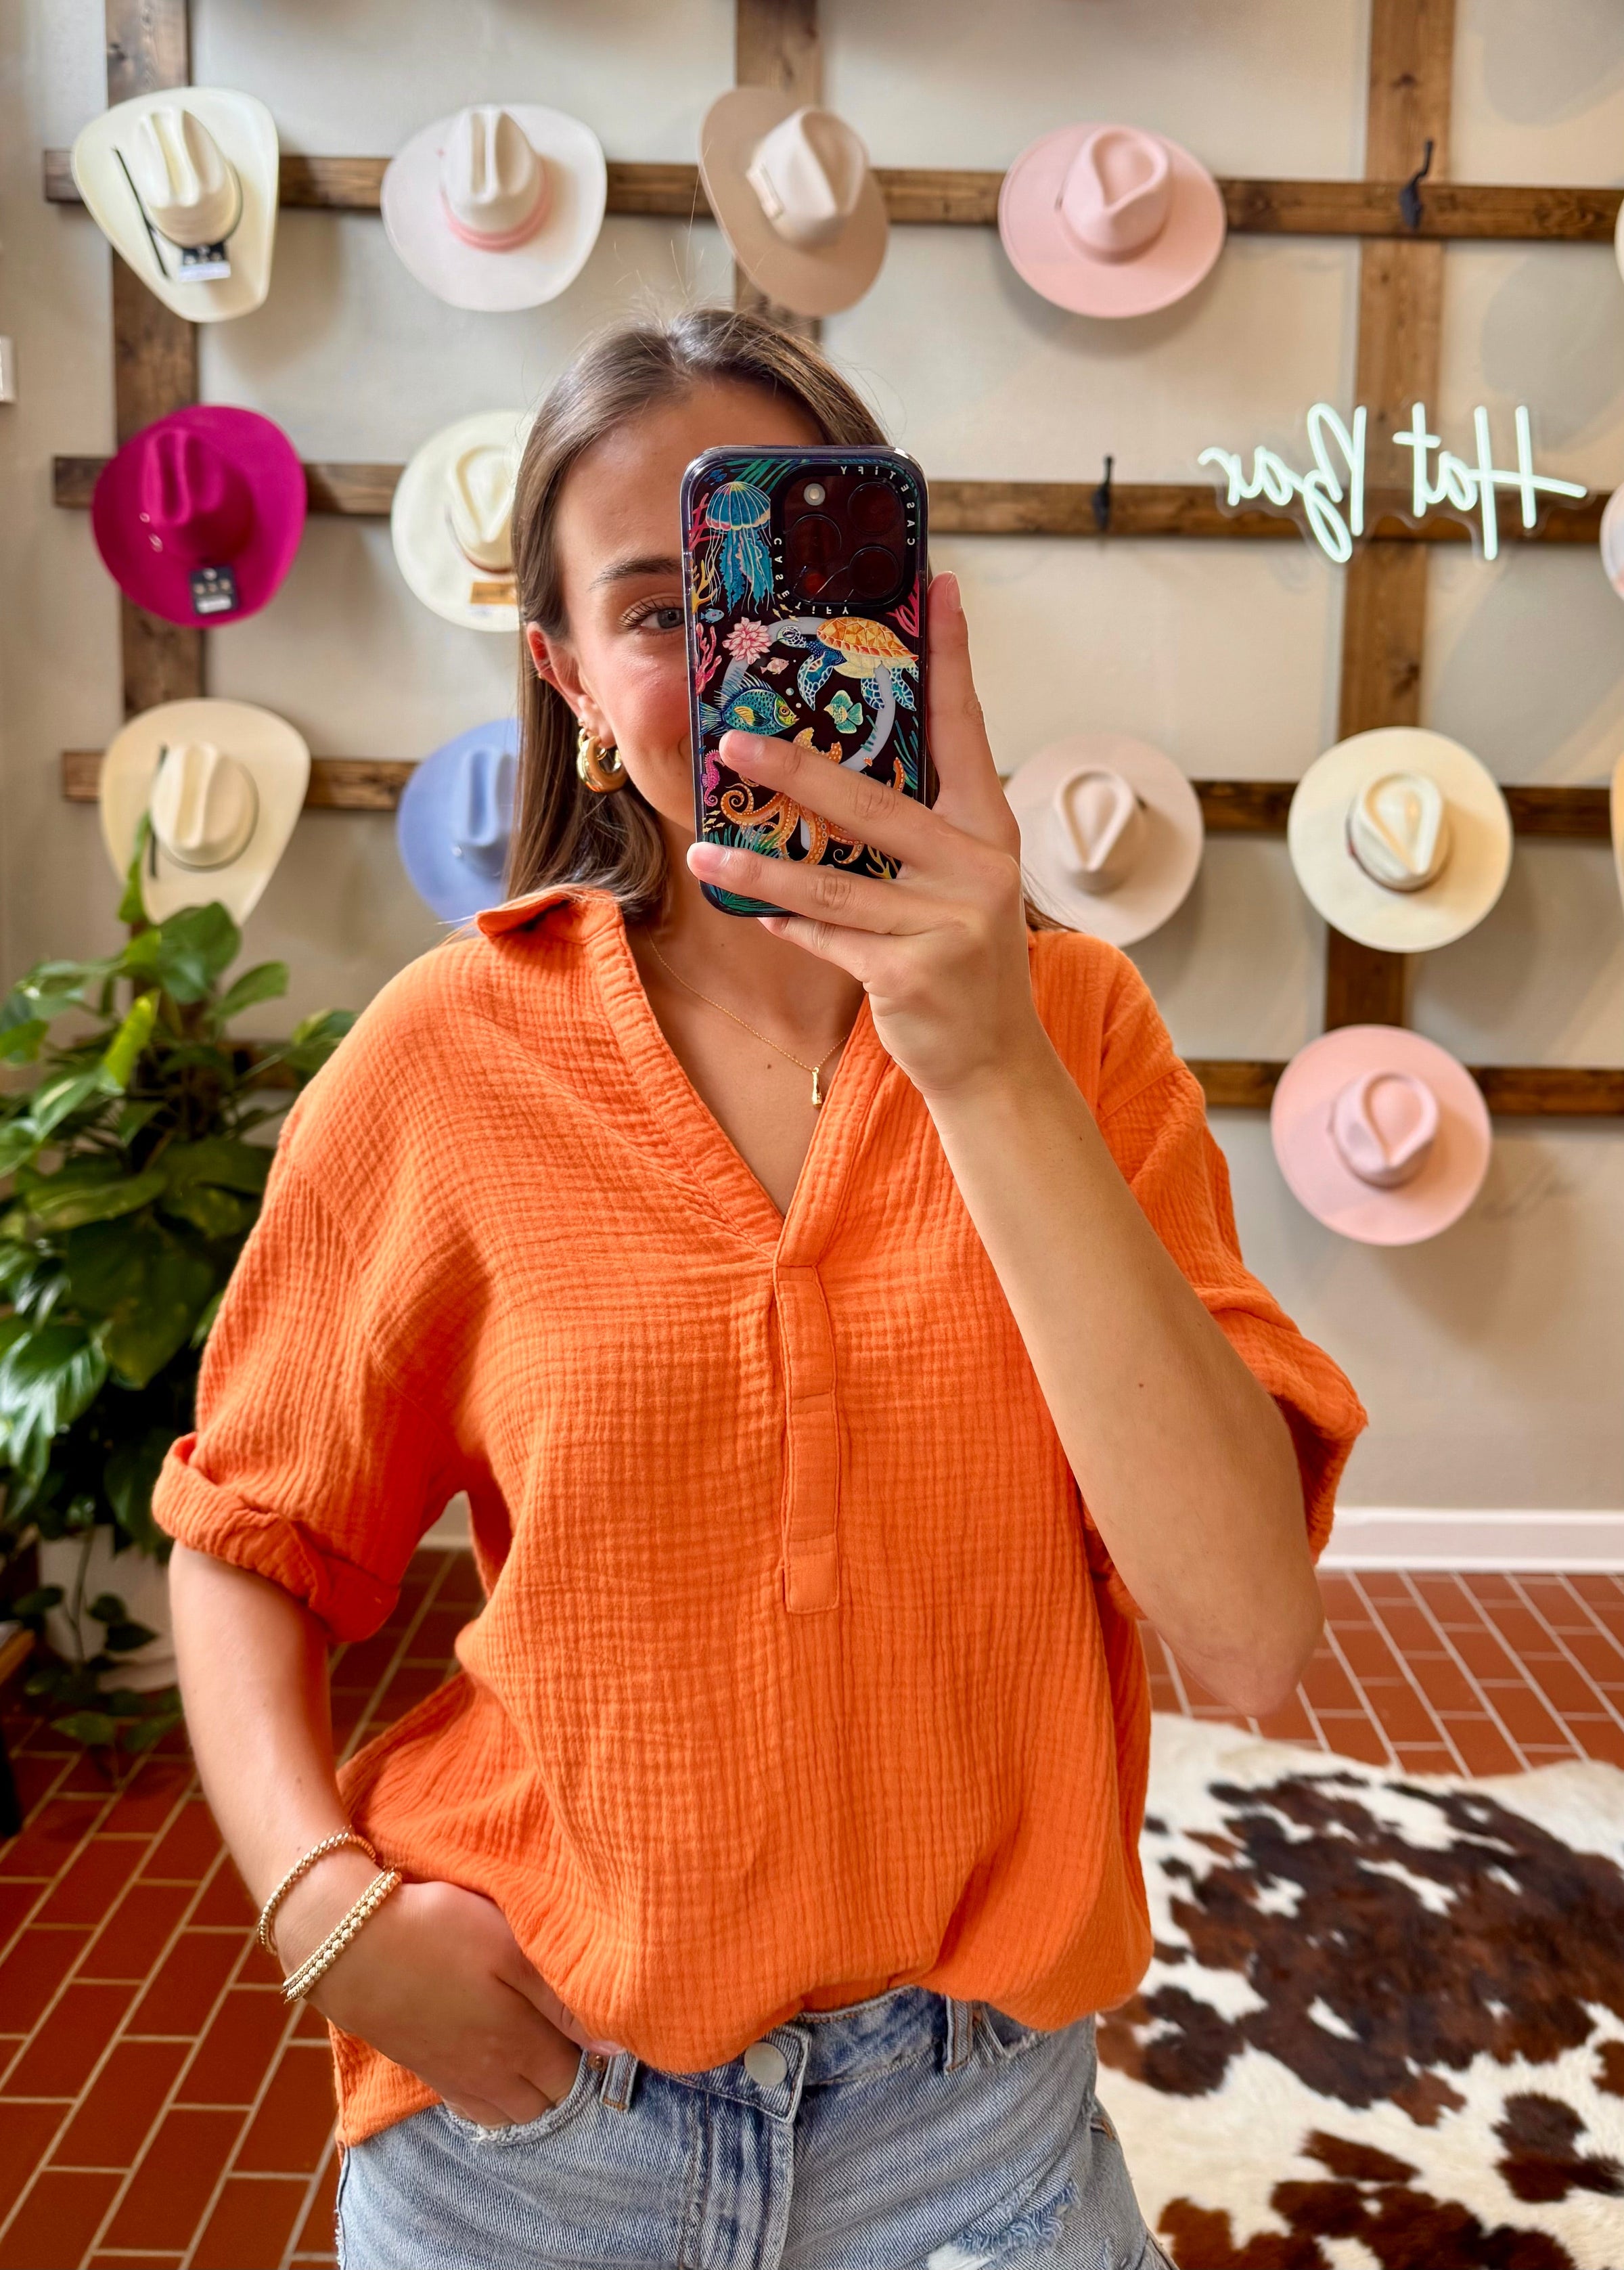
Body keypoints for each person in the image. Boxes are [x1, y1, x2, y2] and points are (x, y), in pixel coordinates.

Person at [157, 307, 1365, 2269]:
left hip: (975, 2143)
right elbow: (248, 1535)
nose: (743, 665)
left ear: (912, 622)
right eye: (660, 610)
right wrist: (323, 1910)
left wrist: (984, 1061)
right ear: (566, 676)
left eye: (798, 595)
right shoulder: (445, 1056)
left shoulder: (1077, 1032)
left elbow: (1244, 1635)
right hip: (532, 2136)